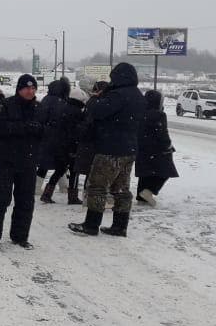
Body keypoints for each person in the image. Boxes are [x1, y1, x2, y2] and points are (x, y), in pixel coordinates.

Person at [69, 63, 146, 238]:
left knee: (97, 187)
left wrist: (96, 98)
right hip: (129, 149)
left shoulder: (118, 95)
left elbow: (96, 111)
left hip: (110, 149)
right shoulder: (138, 96)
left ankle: (91, 225)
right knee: (121, 189)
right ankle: (120, 226)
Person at [0, 74, 44, 248]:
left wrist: (39, 129)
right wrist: (23, 128)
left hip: (28, 161)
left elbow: (47, 130)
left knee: (26, 201)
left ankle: (20, 236)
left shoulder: (38, 108)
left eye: (33, 88)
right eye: (26, 88)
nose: (30, 91)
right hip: (6, 159)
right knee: (1, 198)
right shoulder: (5, 105)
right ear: (19, 89)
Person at [135, 89, 178, 206]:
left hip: (142, 148)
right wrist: (167, 145)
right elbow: (162, 133)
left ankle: (141, 197)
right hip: (157, 149)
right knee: (167, 171)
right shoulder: (159, 115)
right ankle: (149, 191)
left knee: (145, 173)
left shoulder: (139, 112)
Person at [36, 78, 71, 200]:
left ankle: (37, 186)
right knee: (61, 162)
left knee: (46, 162)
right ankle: (63, 186)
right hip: (58, 136)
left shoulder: (47, 99)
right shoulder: (61, 102)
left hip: (46, 135)